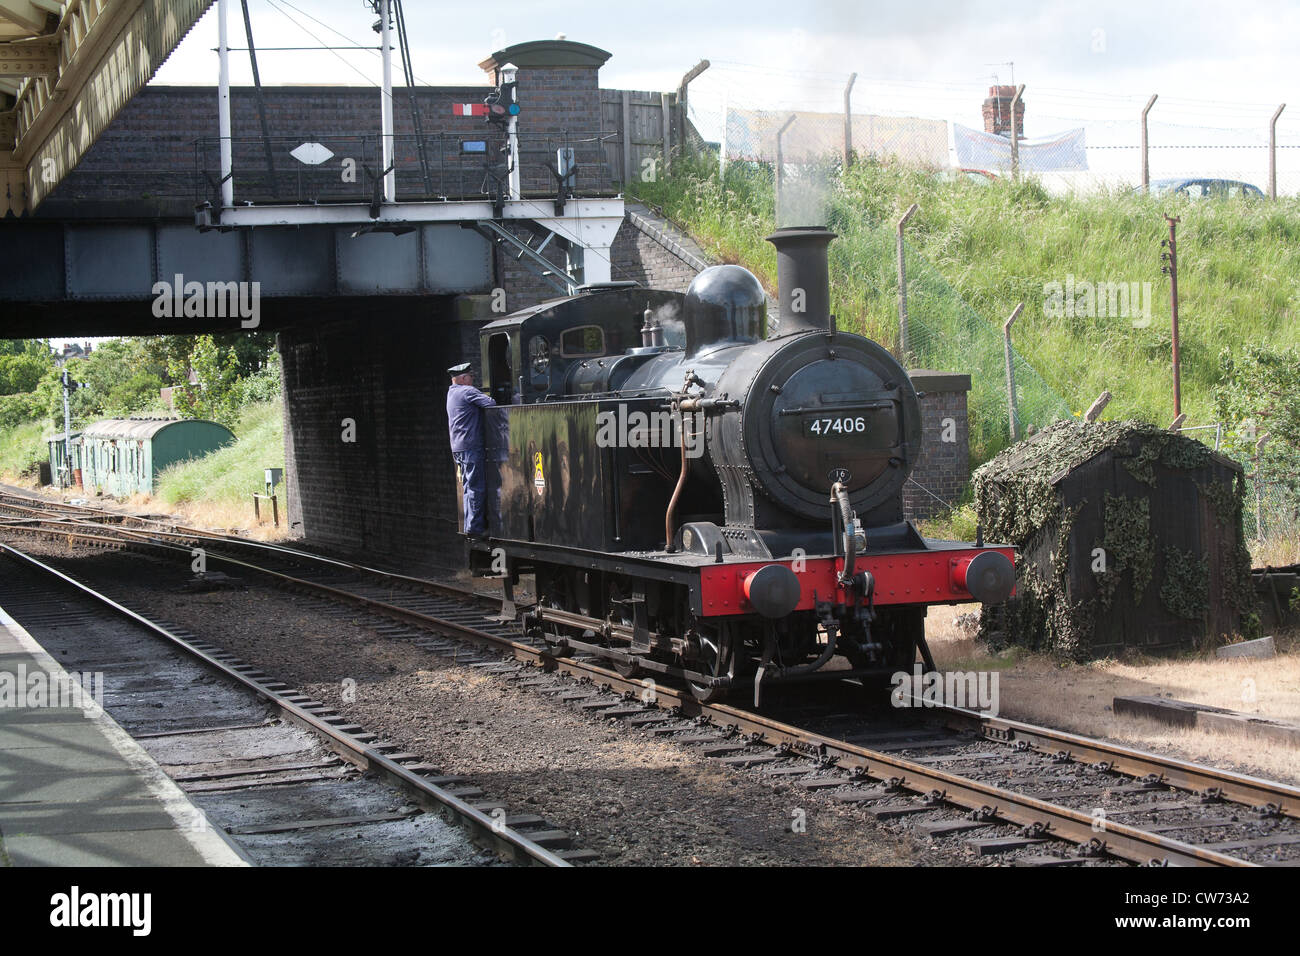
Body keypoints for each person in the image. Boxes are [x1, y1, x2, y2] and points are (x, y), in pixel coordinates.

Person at [446, 362, 497, 538]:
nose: (473, 380)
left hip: (458, 447)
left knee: (468, 487)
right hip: (471, 446)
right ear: (464, 378)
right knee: (476, 487)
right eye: (471, 377)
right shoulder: (467, 391)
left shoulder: (451, 393)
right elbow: (491, 403)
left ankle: (469, 525)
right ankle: (475, 528)